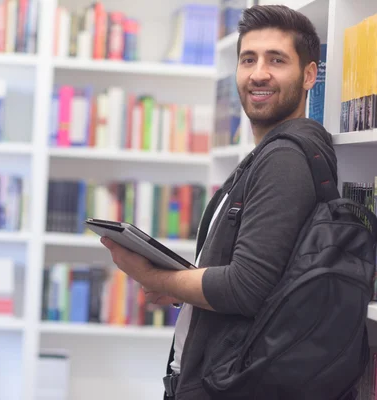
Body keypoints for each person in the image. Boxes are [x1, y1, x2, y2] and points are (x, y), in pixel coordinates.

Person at [101, 5, 338, 399]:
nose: (258, 73)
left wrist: (151, 276)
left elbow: (246, 287)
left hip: (231, 385)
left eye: (276, 60)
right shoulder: (270, 153)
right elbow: (264, 278)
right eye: (249, 59)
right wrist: (180, 289)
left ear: (309, 75)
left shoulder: (285, 159)